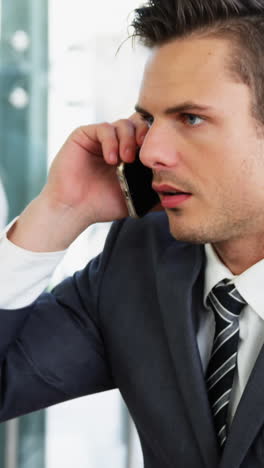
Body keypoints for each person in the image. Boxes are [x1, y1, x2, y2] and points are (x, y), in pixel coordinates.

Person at [1, 0, 264, 466]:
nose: (149, 152)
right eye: (148, 120)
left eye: (191, 118)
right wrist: (57, 213)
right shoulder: (140, 255)